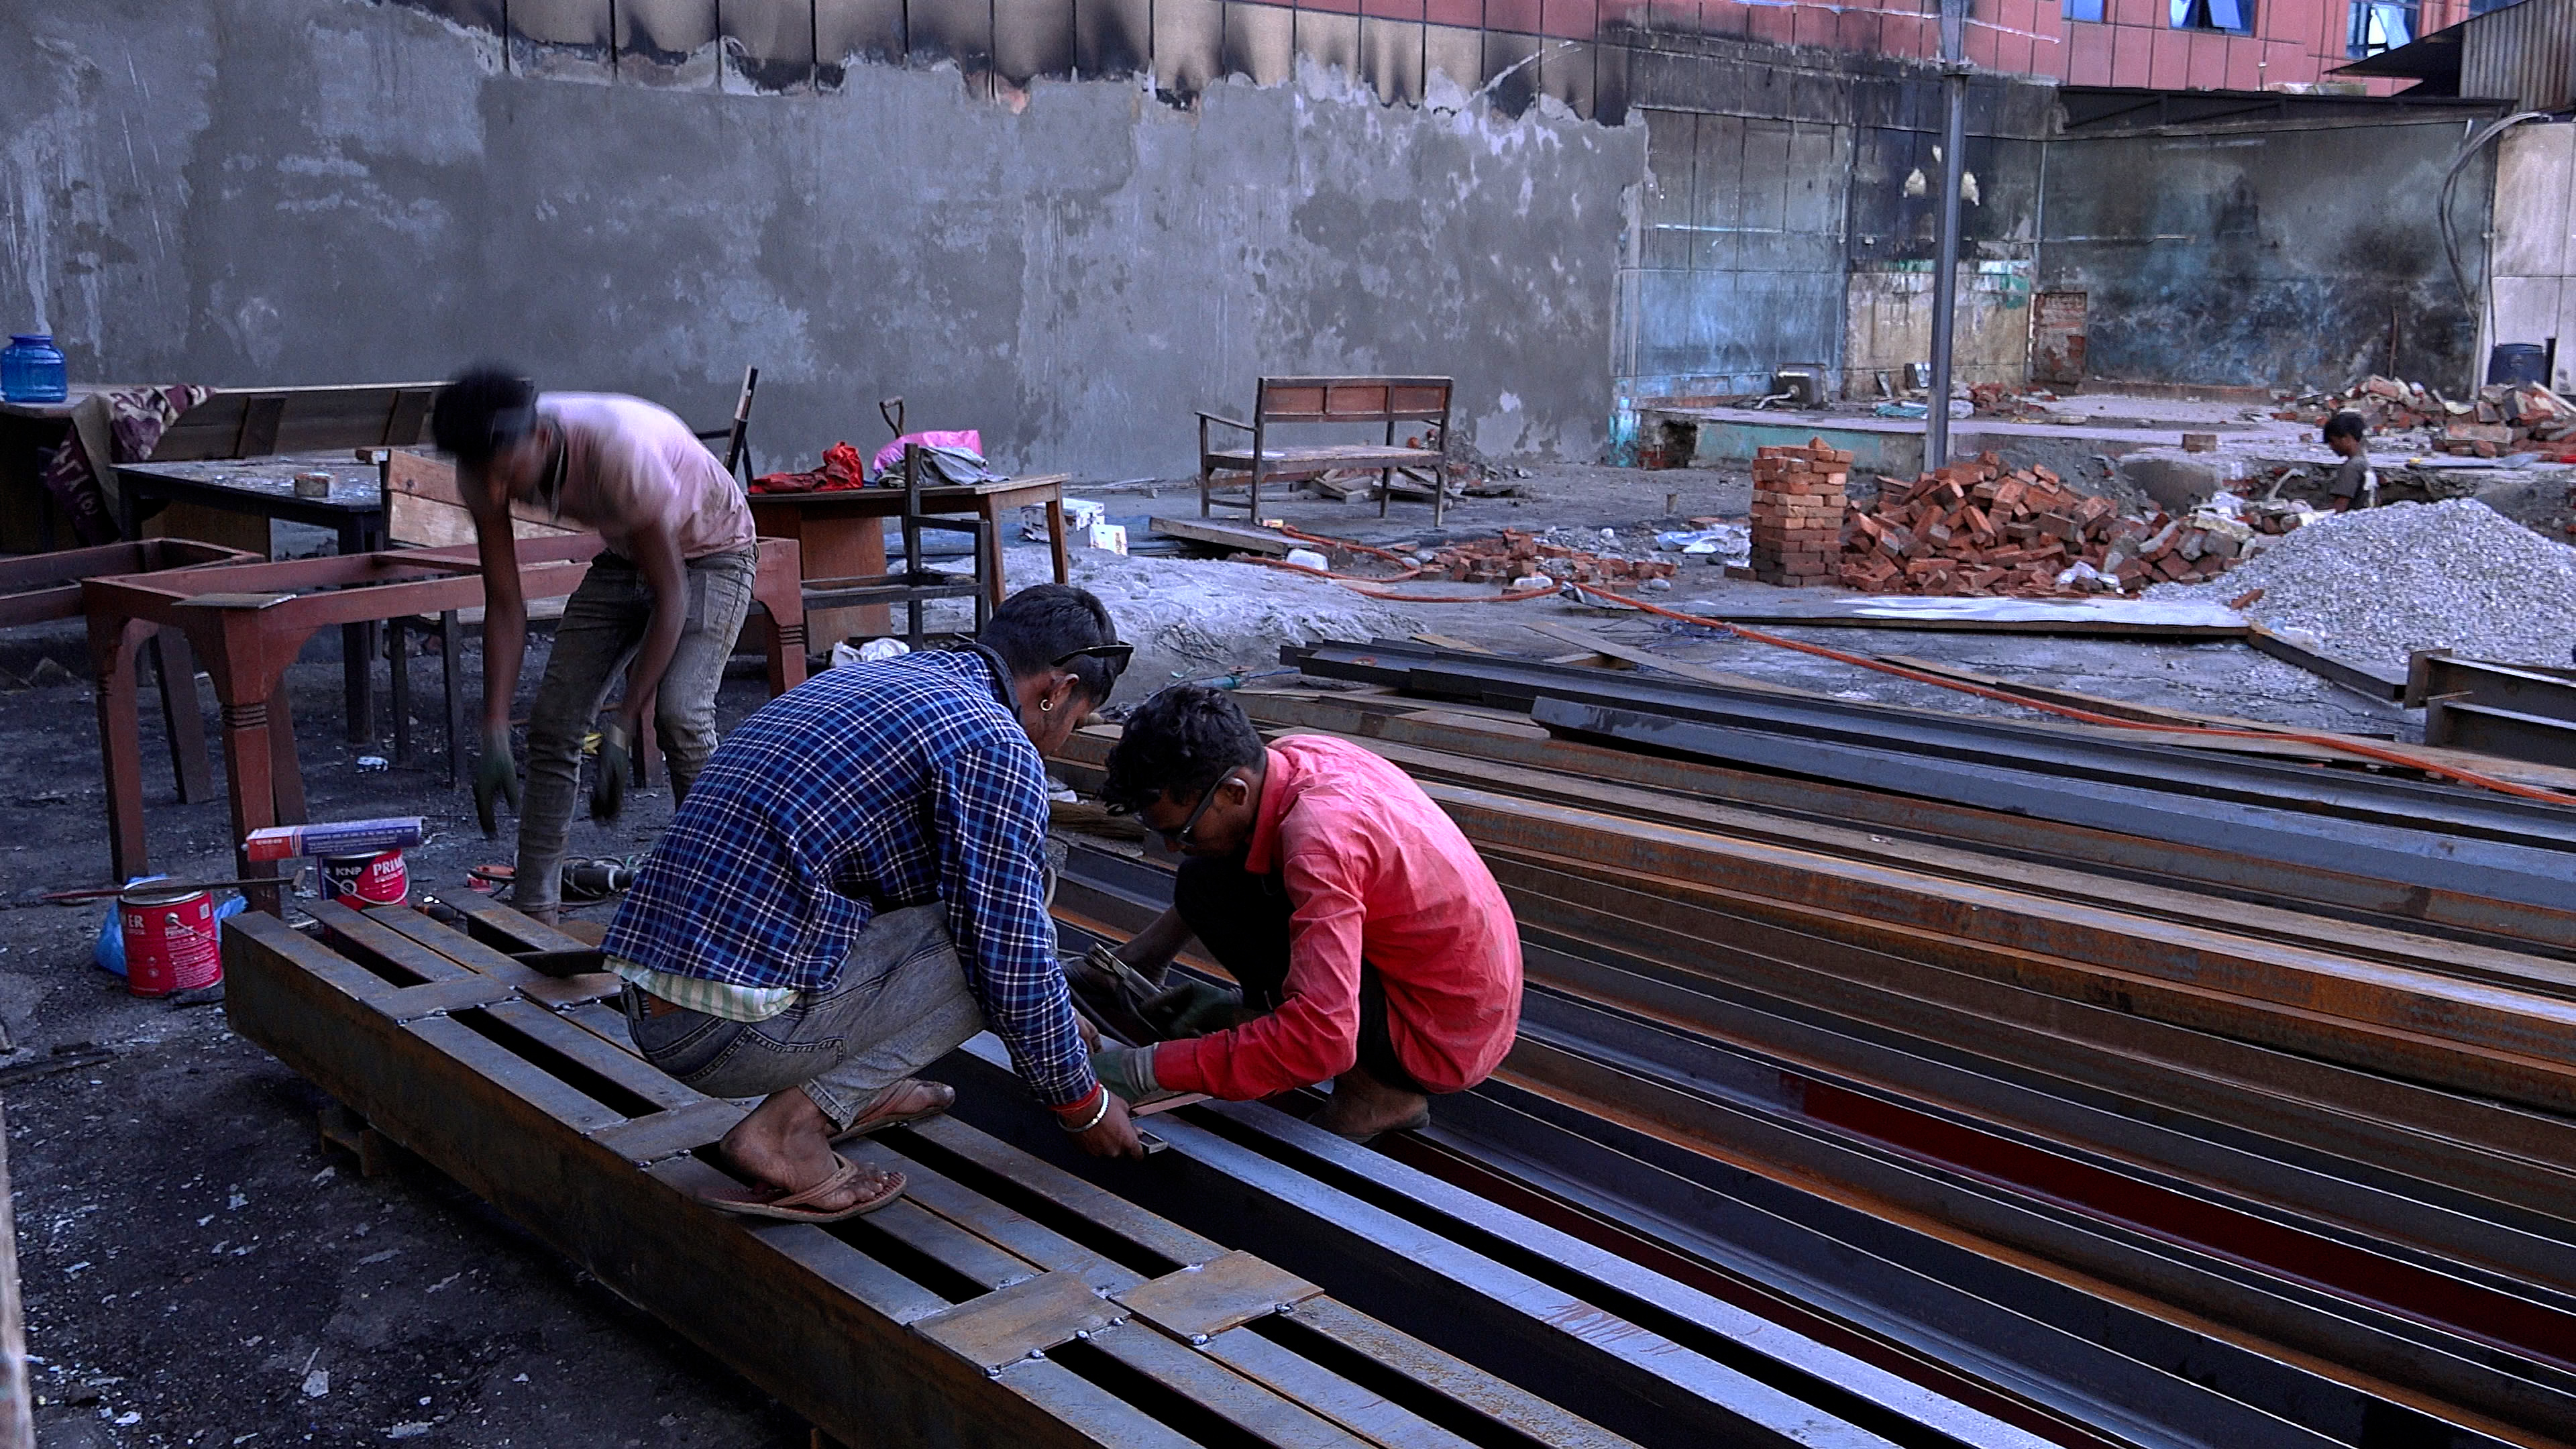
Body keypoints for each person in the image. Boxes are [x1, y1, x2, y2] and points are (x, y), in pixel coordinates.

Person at [601, 585, 1144, 1222]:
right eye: (1076, 721)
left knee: (986, 910)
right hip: (721, 1036)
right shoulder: (996, 743)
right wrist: (1081, 1102)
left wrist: (1053, 1018)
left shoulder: (887, 680)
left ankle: (850, 1093)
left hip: (653, 1004)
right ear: (1057, 689)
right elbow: (1009, 960)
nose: (1062, 739)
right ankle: (787, 1133)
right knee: (1006, 936)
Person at [1088, 686, 1523, 1140]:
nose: (1173, 847)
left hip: (1437, 1032)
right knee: (1206, 877)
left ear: (1234, 791)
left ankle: (1375, 1096)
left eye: (1183, 831)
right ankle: (1236, 1005)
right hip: (1449, 986)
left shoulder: (1320, 843)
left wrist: (1143, 1069)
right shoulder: (1292, 758)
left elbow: (1322, 1039)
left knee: (1217, 877)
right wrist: (1148, 966)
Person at [428, 366, 761, 920]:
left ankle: (729, 901)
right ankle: (535, 914)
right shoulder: (482, 465)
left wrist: (625, 722)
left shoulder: (618, 453)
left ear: (540, 437)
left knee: (680, 715)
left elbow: (671, 597)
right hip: (627, 552)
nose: (494, 490)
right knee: (553, 724)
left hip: (713, 553)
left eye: (503, 473)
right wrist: (494, 726)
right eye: (480, 474)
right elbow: (505, 602)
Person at [2324, 410, 2377, 513]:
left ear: (2347, 439)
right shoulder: (2364, 463)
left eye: (2333, 441)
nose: (2331, 447)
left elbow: (2340, 507)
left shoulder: (2352, 467)